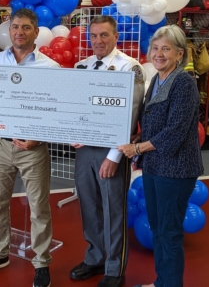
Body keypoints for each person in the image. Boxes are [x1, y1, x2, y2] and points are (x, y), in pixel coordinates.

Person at [0, 8, 60, 287]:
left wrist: (39, 138)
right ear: (9, 31)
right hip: (1, 145)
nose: (19, 32)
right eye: (15, 27)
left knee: (39, 207)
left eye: (25, 27)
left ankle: (42, 262)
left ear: (36, 32)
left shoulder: (50, 67)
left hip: (33, 147)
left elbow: (55, 111)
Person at [118, 25, 204, 287]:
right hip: (156, 166)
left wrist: (137, 148)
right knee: (159, 228)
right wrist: (138, 138)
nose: (158, 54)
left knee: (168, 232)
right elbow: (155, 122)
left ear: (180, 54)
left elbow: (174, 132)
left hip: (176, 170)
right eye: (155, 48)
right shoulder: (157, 79)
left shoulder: (184, 83)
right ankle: (162, 282)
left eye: (166, 49)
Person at [70, 15, 145, 287]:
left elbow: (131, 115)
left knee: (113, 210)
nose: (98, 41)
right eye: (94, 36)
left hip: (112, 150)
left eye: (104, 35)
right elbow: (75, 108)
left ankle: (114, 269)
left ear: (116, 37)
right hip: (84, 150)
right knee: (88, 206)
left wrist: (114, 157)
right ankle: (95, 257)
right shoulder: (82, 66)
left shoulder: (130, 68)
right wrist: (70, 132)